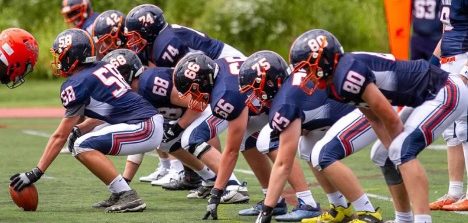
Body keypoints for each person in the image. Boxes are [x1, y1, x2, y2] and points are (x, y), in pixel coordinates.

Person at [281, 29, 468, 223]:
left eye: (308, 68)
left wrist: (398, 152)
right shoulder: (335, 82)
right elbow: (374, 118)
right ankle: (404, 219)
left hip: (444, 91)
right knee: (382, 155)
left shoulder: (348, 73)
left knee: (401, 149)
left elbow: (389, 117)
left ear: (324, 61)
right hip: (425, 96)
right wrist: (392, 153)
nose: (306, 76)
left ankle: (422, 220)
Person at [9, 28, 164, 213]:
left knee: (82, 145)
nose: (58, 60)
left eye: (61, 55)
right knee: (80, 141)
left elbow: (59, 136)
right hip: (145, 122)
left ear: (72, 55)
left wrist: (37, 171)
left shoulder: (78, 83)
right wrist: (82, 127)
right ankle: (119, 192)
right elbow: (111, 109)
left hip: (144, 126)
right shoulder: (100, 68)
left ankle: (127, 195)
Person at [173, 51, 321, 221]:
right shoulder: (220, 64)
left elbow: (231, 152)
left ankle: (307, 201)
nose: (193, 96)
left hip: (283, 104)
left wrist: (217, 191)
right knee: (246, 139)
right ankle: (274, 199)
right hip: (269, 101)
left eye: (193, 90)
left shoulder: (225, 96)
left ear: (203, 81)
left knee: (267, 142)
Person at [247, 53, 384, 223]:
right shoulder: (289, 89)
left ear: (269, 82)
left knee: (323, 154)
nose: (254, 97)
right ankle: (340, 208)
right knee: (308, 148)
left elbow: (283, 164)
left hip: (367, 109)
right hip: (348, 109)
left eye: (256, 89)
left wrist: (267, 209)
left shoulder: (285, 102)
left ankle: (368, 213)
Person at [101, 49, 247, 203]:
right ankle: (210, 178)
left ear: (124, 76)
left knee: (191, 138)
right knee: (162, 139)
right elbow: (140, 138)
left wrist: (179, 127)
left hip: (213, 104)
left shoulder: (150, 84)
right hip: (199, 109)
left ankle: (233, 185)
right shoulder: (133, 94)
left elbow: (199, 104)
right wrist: (125, 181)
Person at [428, 0, 468, 212]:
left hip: (464, 59)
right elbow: (447, 34)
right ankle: (455, 191)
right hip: (448, 60)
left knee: (465, 124)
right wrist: (431, 66)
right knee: (451, 129)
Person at [124, 4, 245, 67]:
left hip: (226, 61)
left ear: (147, 29)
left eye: (135, 36)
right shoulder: (162, 37)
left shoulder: (166, 43)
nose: (134, 41)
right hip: (220, 62)